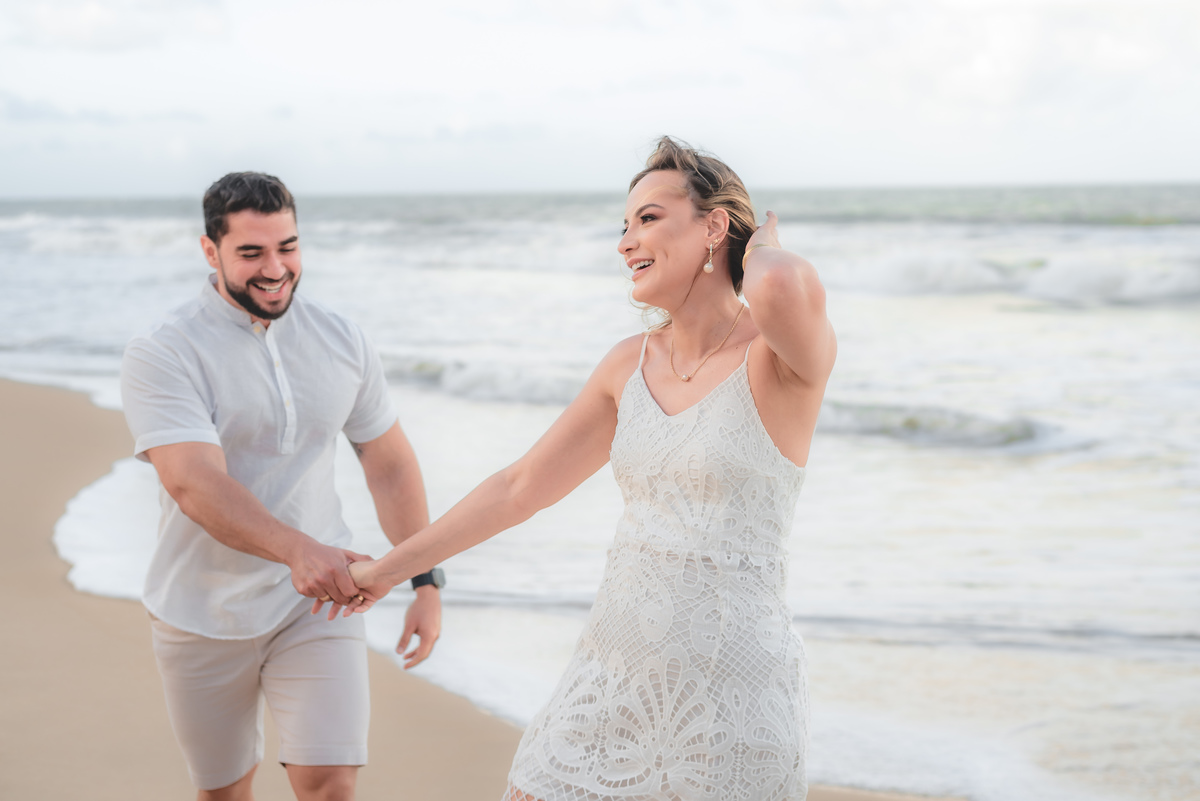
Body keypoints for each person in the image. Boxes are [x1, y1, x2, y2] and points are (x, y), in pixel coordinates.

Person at [341, 137, 836, 800]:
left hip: (732, 698)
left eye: (650, 218)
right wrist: (387, 569)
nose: (627, 240)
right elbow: (517, 489)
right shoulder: (624, 366)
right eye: (624, 224)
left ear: (715, 225)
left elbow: (778, 283)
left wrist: (764, 239)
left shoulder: (777, 362)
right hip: (610, 676)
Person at [120, 172, 443, 801]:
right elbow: (192, 482)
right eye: (251, 253)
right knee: (225, 793)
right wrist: (300, 551)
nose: (275, 268)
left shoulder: (341, 339)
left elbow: (389, 462)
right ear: (210, 252)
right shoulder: (164, 351)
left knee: (329, 785)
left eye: (287, 247)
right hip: (201, 611)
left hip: (319, 604)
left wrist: (425, 579)